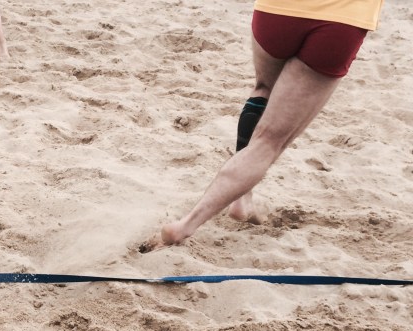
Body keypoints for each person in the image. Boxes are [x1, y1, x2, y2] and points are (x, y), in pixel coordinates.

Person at [142, 0, 385, 249]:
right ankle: (186, 225)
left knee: (263, 88)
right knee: (269, 141)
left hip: (277, 11)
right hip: (341, 19)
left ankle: (243, 198)